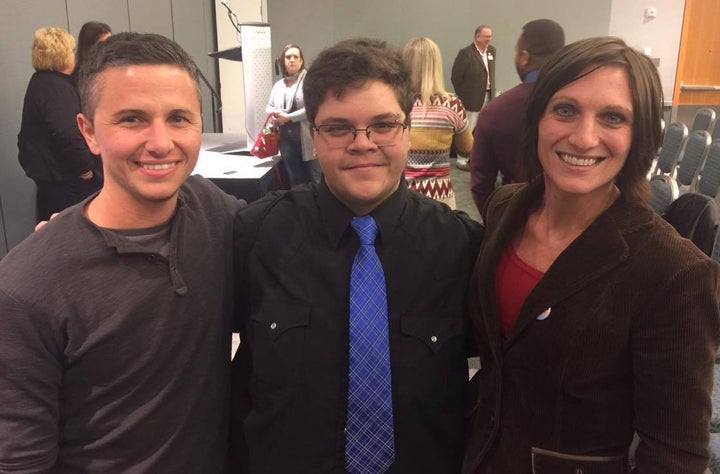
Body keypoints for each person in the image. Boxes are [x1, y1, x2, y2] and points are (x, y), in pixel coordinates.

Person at [462, 36, 720, 473]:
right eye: (565, 110)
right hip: (478, 453)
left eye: (613, 117)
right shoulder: (507, 206)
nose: (583, 138)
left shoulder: (674, 271)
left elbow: (675, 452)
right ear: (538, 118)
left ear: (639, 137)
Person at [231, 38, 483, 473]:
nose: (363, 143)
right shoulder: (257, 236)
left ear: (408, 130)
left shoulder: (461, 247)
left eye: (383, 125)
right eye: (338, 127)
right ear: (313, 136)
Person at [0, 32, 242, 472]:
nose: (161, 142)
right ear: (88, 132)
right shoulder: (27, 289)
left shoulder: (215, 212)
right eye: (132, 119)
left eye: (179, 118)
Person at [470, 19, 564, 212]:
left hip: (516, 216)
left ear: (524, 57)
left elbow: (481, 184)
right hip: (579, 220)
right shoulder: (584, 105)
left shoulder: (495, 111)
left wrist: (498, 226)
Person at [17, 26, 101, 221]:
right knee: (74, 226)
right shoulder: (55, 88)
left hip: (52, 177)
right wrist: (86, 169)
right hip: (66, 179)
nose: (73, 56)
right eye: (70, 51)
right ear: (61, 56)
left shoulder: (41, 81)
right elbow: (67, 133)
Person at [402, 37, 473, 209]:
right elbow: (468, 149)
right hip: (439, 198)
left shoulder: (395, 104)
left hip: (400, 197)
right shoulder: (452, 105)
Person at [266, 43, 321, 186]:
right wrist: (275, 114)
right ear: (283, 61)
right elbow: (268, 106)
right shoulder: (279, 85)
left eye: (295, 56)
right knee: (294, 180)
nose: (291, 60)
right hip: (286, 141)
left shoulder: (310, 82)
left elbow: (312, 108)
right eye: (288, 57)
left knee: (316, 178)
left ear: (301, 61)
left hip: (308, 139)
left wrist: (289, 117)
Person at [451, 25, 496, 171]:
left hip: (488, 95)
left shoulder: (492, 51)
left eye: (490, 36)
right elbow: (456, 77)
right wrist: (464, 96)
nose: (489, 39)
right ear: (477, 37)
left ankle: (474, 158)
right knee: (468, 128)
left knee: (481, 128)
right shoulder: (466, 53)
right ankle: (462, 160)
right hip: (471, 98)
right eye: (486, 36)